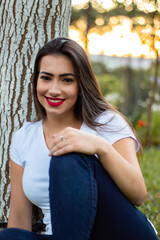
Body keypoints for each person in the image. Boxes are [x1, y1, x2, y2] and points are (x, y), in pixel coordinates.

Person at [0, 37, 158, 240]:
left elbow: (138, 195)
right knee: (9, 237)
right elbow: (20, 218)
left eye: (67, 80)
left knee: (69, 156)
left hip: (120, 232)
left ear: (81, 84)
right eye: (46, 78)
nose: (54, 89)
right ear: (36, 81)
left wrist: (100, 147)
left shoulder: (107, 122)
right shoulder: (24, 138)